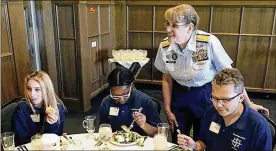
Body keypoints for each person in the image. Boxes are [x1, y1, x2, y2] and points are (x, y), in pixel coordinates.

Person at [154, 4, 269, 142]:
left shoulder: (208, 42)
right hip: (179, 95)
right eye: (167, 24)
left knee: (203, 137)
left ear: (190, 27)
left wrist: (249, 104)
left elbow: (231, 76)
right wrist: (167, 109)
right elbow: (166, 78)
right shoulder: (165, 46)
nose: (168, 29)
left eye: (174, 25)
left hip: (206, 95)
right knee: (178, 137)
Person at [177, 68, 272, 151]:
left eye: (225, 100)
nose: (218, 105)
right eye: (214, 98)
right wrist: (194, 145)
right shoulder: (210, 112)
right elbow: (203, 142)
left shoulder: (258, 126)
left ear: (241, 98)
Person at [99, 67, 161, 137]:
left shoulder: (145, 101)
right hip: (114, 142)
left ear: (131, 86)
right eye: (116, 96)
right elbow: (102, 130)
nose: (121, 100)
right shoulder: (106, 103)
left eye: (125, 94)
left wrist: (145, 125)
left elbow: (159, 134)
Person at [12, 71, 66, 146]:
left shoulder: (58, 109)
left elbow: (55, 138)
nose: (32, 94)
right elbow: (21, 140)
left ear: (47, 90)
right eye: (29, 89)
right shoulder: (22, 109)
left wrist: (51, 125)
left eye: (37, 89)